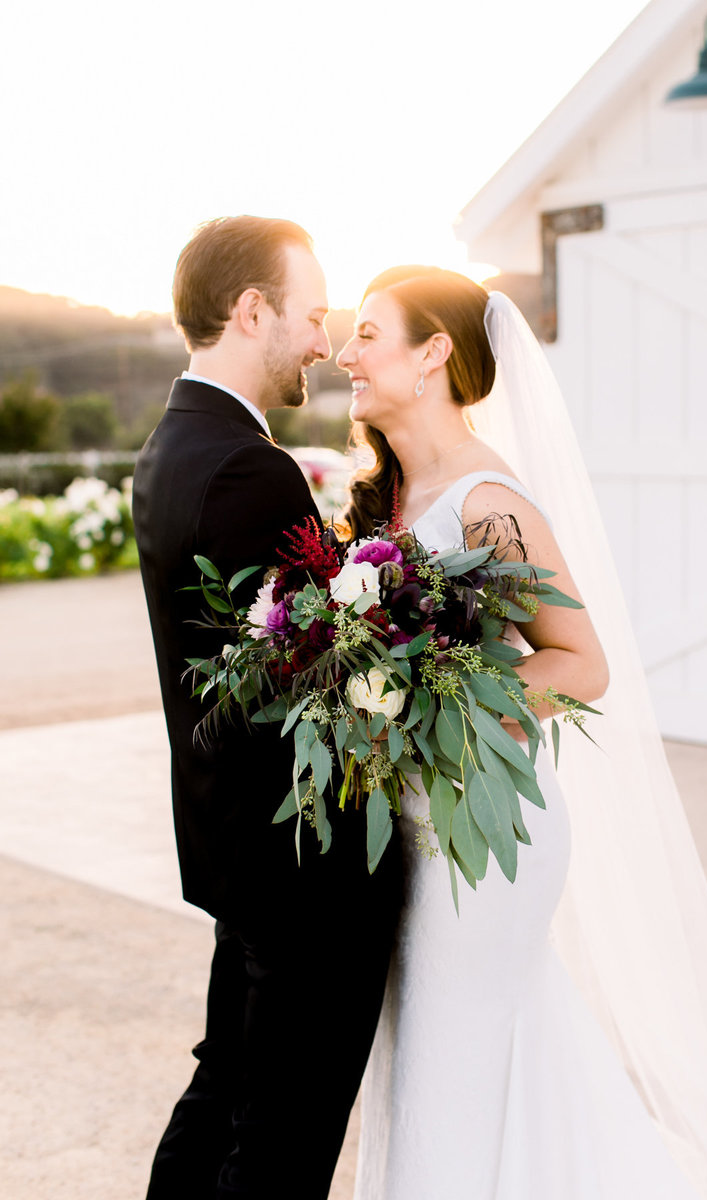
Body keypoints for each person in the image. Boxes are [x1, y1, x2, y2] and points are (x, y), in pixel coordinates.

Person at [336, 266, 707, 1199]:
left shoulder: (485, 499)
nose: (345, 354)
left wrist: (435, 708)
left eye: (366, 333)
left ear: (432, 354)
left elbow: (580, 661)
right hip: (413, 830)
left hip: (482, 830)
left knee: (445, 1072)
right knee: (488, 1062)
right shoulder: (387, 493)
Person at [132, 217, 402, 1199]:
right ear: (253, 312)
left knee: (221, 1097)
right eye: (313, 315)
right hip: (302, 872)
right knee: (280, 1144)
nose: (322, 343)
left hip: (234, 845)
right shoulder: (252, 467)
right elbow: (334, 665)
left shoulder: (173, 444)